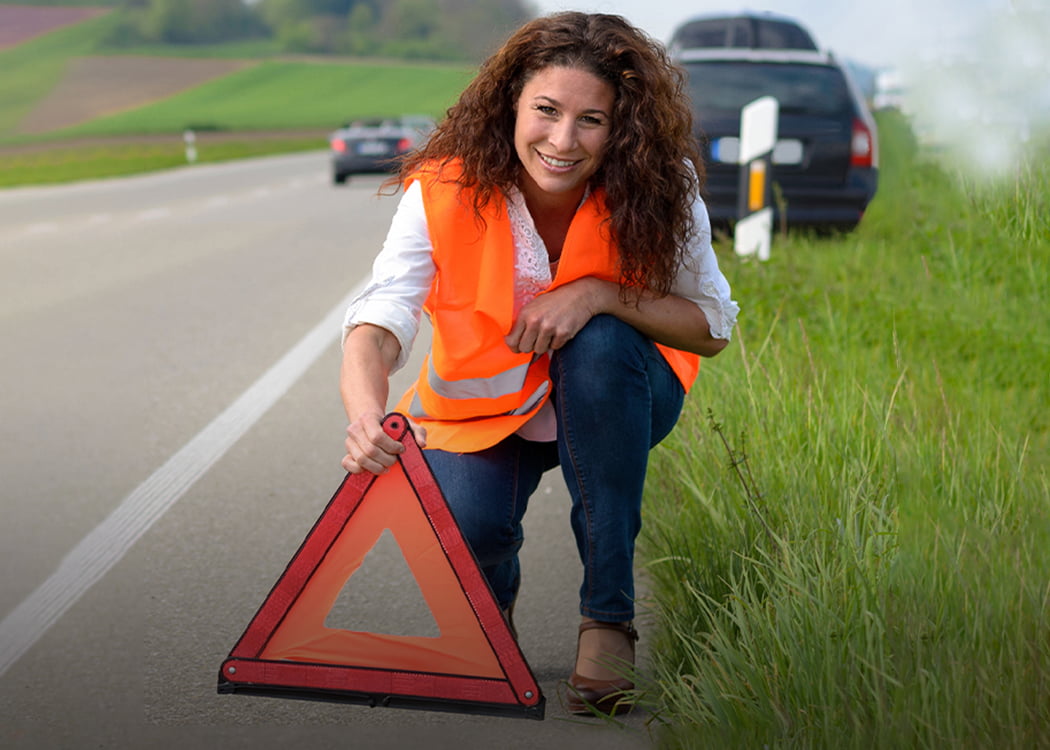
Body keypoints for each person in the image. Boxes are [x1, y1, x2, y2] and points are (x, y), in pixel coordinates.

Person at [339, 11, 739, 716]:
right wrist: (366, 410)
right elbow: (380, 319)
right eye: (547, 111)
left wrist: (598, 294)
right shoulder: (444, 187)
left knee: (600, 341)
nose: (562, 140)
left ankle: (607, 620)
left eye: (592, 120)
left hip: (618, 391)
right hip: (483, 409)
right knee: (473, 526)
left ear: (624, 128)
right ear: (511, 104)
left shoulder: (660, 184)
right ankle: (494, 601)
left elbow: (711, 326)